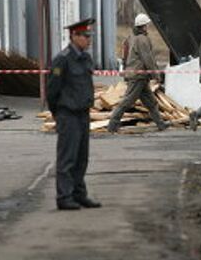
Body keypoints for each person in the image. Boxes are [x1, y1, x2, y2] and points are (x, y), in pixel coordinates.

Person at [47, 18, 102, 210]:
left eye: (90, 36)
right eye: (86, 36)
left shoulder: (85, 58)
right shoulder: (62, 59)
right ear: (74, 36)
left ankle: (79, 195)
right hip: (67, 113)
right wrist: (58, 113)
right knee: (67, 158)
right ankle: (64, 197)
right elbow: (52, 90)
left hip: (82, 113)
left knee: (81, 157)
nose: (89, 40)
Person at [107, 14, 168, 133]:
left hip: (139, 76)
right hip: (137, 76)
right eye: (147, 25)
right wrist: (156, 75)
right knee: (127, 101)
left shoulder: (131, 37)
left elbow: (124, 56)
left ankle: (161, 124)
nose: (148, 27)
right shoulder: (142, 39)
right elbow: (148, 59)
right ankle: (112, 125)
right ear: (144, 26)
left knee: (151, 102)